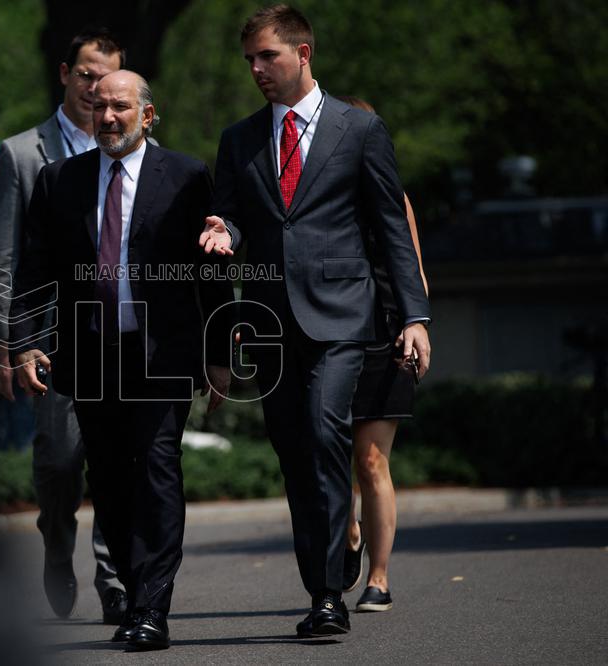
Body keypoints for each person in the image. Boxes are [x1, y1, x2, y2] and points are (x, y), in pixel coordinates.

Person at [199, 4, 431, 637]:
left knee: (327, 431)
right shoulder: (239, 139)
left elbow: (390, 227)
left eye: (267, 56)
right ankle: (326, 570)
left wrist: (414, 315)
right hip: (271, 322)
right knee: (296, 454)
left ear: (303, 53)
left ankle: (326, 598)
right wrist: (225, 232)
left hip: (343, 318)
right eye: (249, 59)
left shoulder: (360, 131)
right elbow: (233, 214)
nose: (256, 69)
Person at [10, 70, 233, 650]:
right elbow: (34, 270)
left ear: (147, 116)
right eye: (99, 107)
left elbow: (211, 272)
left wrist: (219, 354)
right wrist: (26, 341)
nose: (107, 118)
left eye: (120, 108)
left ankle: (152, 607)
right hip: (91, 354)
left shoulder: (185, 176)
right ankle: (137, 596)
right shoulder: (60, 180)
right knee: (108, 477)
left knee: (157, 468)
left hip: (162, 354)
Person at [0, 29, 126, 623]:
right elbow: (2, 257)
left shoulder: (132, 146)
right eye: (87, 75)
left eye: (107, 79)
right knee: (60, 461)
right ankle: (57, 547)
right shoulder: (22, 154)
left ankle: (115, 579)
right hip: (49, 337)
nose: (96, 90)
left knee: (118, 461)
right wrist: (2, 343)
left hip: (119, 335)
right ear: (66, 74)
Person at [336, 95, 429, 613]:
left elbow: (414, 270)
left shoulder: (394, 196)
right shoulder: (314, 200)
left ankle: (379, 577)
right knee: (327, 455)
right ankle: (349, 531)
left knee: (371, 459)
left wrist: (416, 325)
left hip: (387, 329)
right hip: (330, 332)